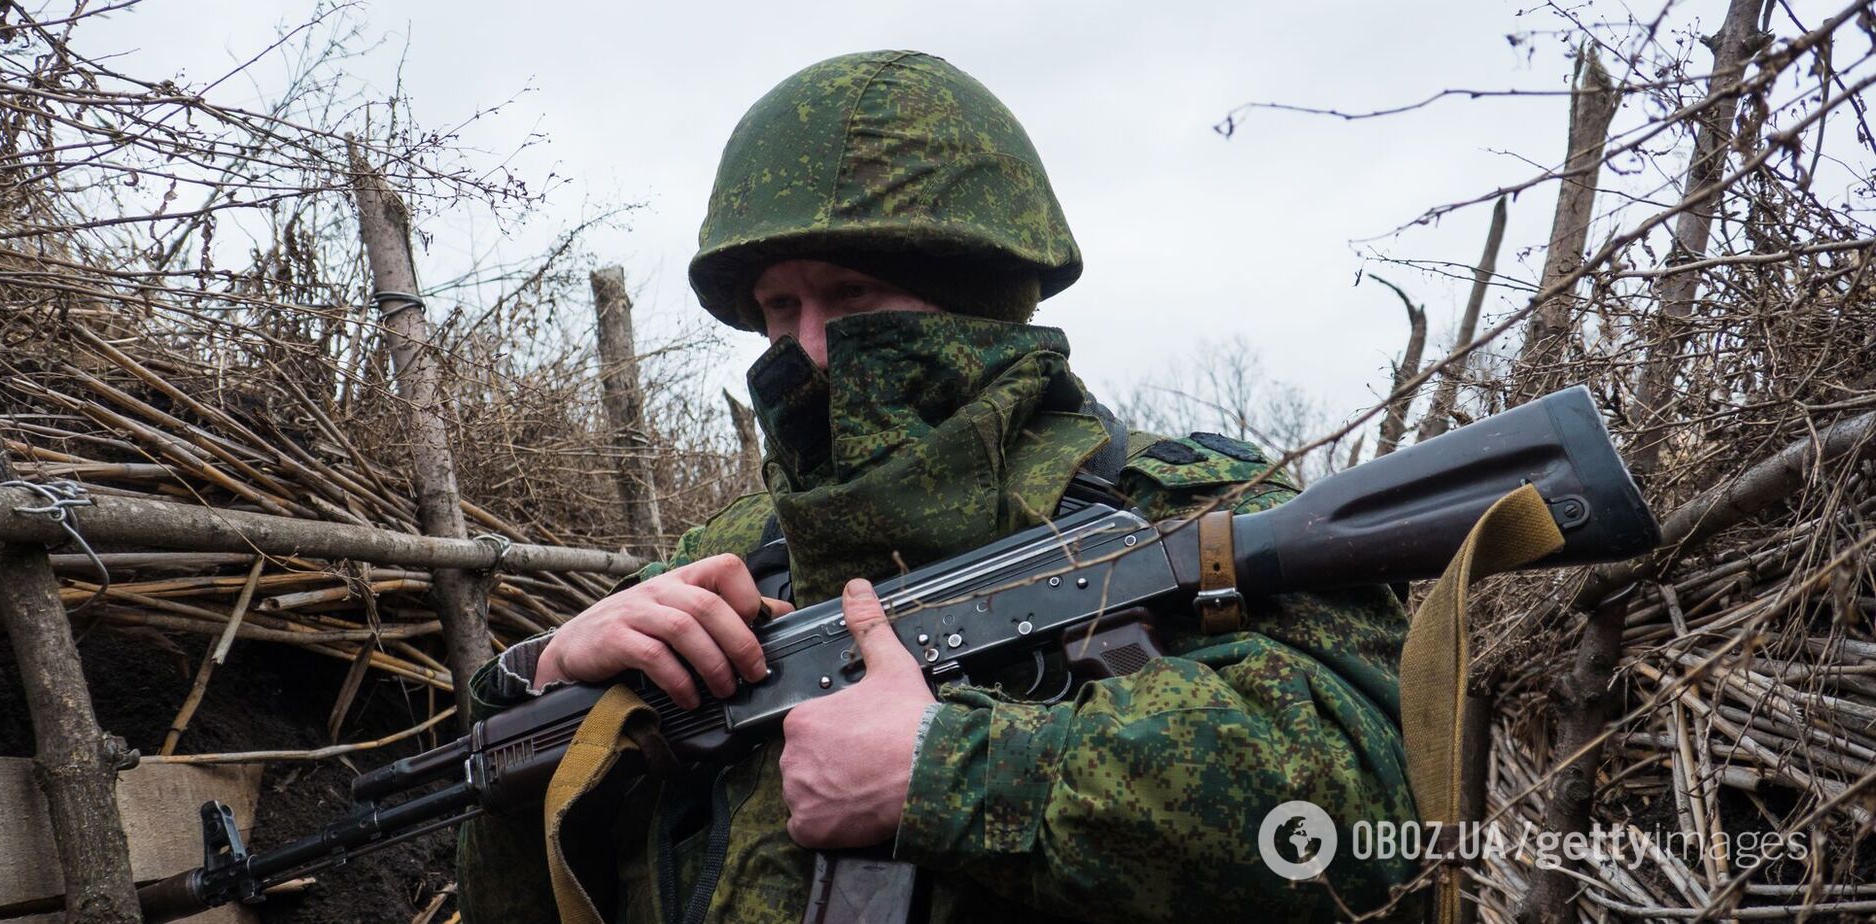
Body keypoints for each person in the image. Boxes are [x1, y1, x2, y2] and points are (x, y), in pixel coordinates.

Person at [459, 50, 1421, 924]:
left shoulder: (1187, 510)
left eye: (853, 297)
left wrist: (951, 773)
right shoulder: (729, 558)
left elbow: (1369, 828)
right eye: (780, 308)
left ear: (980, 296)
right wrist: (534, 699)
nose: (810, 351)